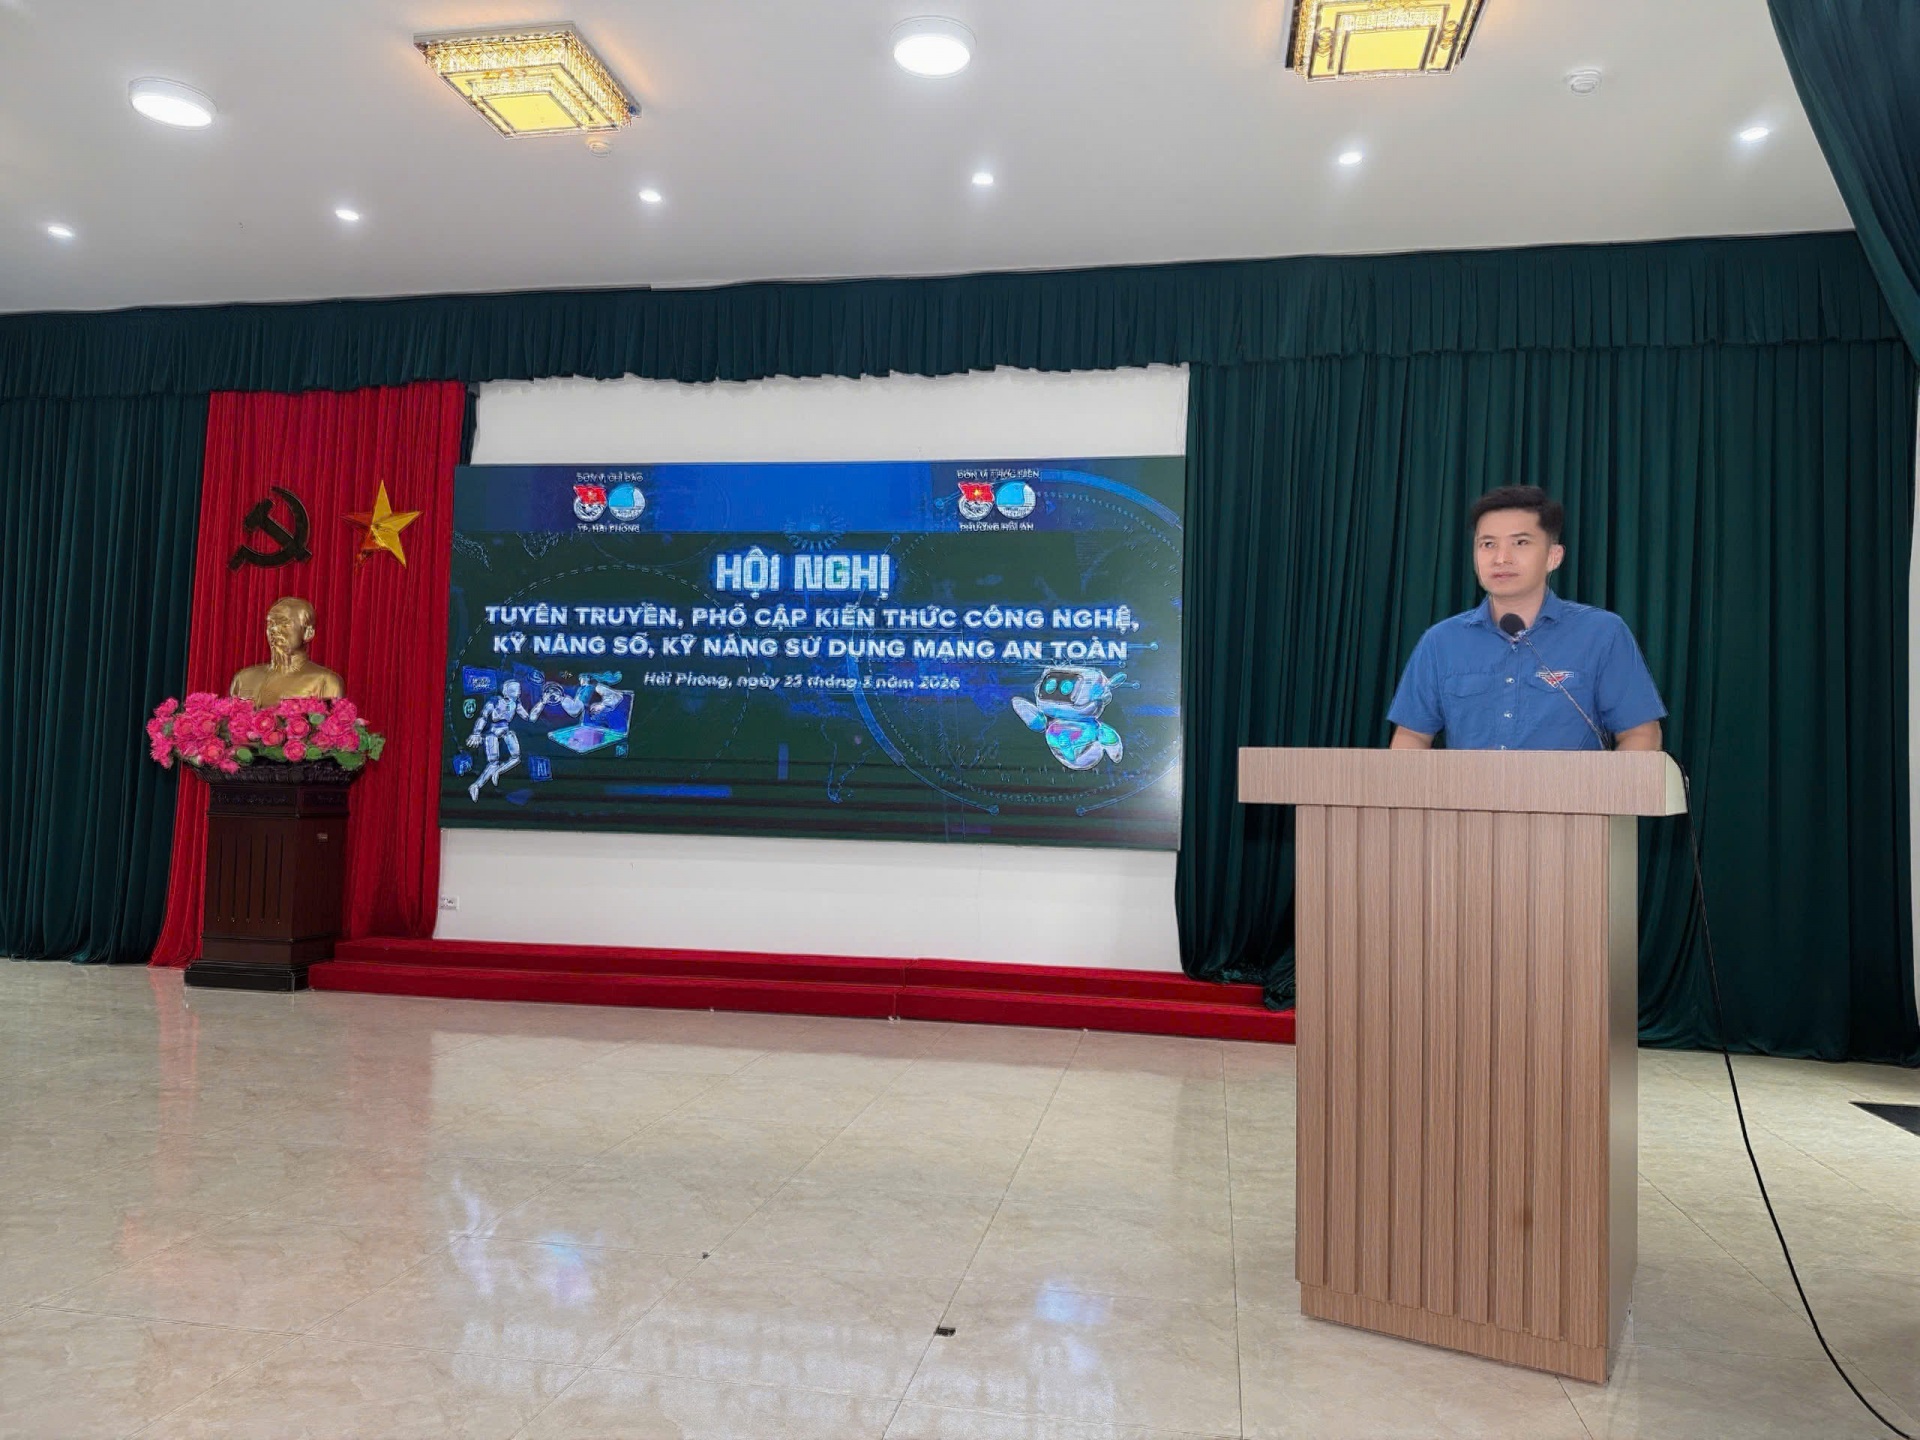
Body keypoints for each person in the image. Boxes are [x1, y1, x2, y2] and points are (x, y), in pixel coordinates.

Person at [1387, 486, 1664, 752]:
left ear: (1553, 557)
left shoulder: (1602, 633)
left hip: (1570, 787)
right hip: (1467, 787)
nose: (1501, 558)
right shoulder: (1441, 641)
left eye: (1520, 543)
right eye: (1488, 544)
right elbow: (1412, 736)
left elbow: (1640, 733)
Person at [228, 596, 346, 703]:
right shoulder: (243, 679)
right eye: (270, 624)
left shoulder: (325, 682)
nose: (273, 629)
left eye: (284, 624)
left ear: (308, 633)